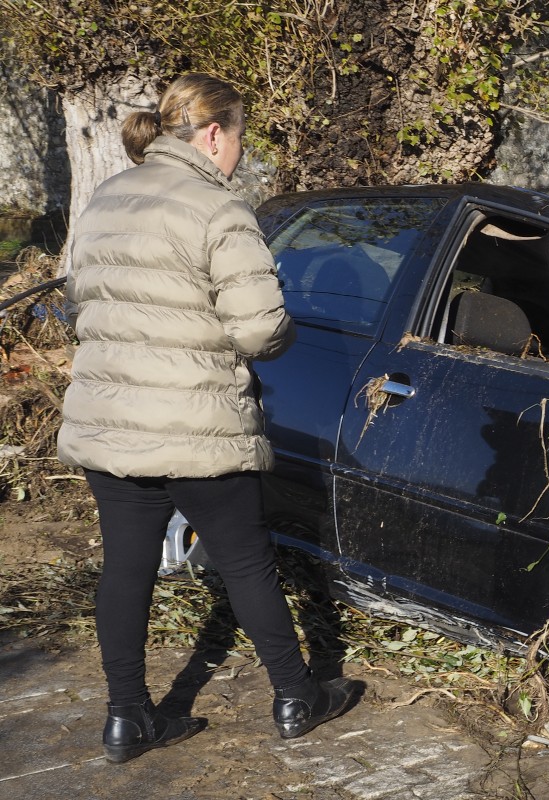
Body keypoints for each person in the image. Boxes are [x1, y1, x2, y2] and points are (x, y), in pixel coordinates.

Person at [57, 73, 357, 763]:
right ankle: (293, 696)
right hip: (199, 427)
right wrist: (279, 333)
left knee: (124, 571)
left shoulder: (106, 198)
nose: (239, 157)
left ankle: (127, 720)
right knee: (248, 564)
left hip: (111, 423)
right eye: (240, 140)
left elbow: (83, 301)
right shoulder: (219, 209)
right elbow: (258, 333)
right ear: (215, 133)